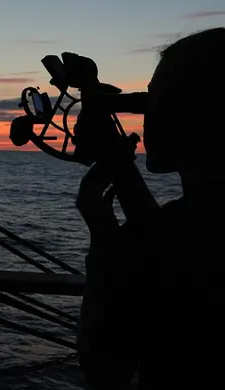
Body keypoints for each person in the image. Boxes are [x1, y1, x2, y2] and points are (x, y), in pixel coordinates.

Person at [75, 27, 225, 390]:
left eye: (156, 101)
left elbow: (104, 368)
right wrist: (120, 168)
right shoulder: (179, 231)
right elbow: (171, 246)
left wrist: (105, 243)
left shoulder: (169, 236)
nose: (146, 116)